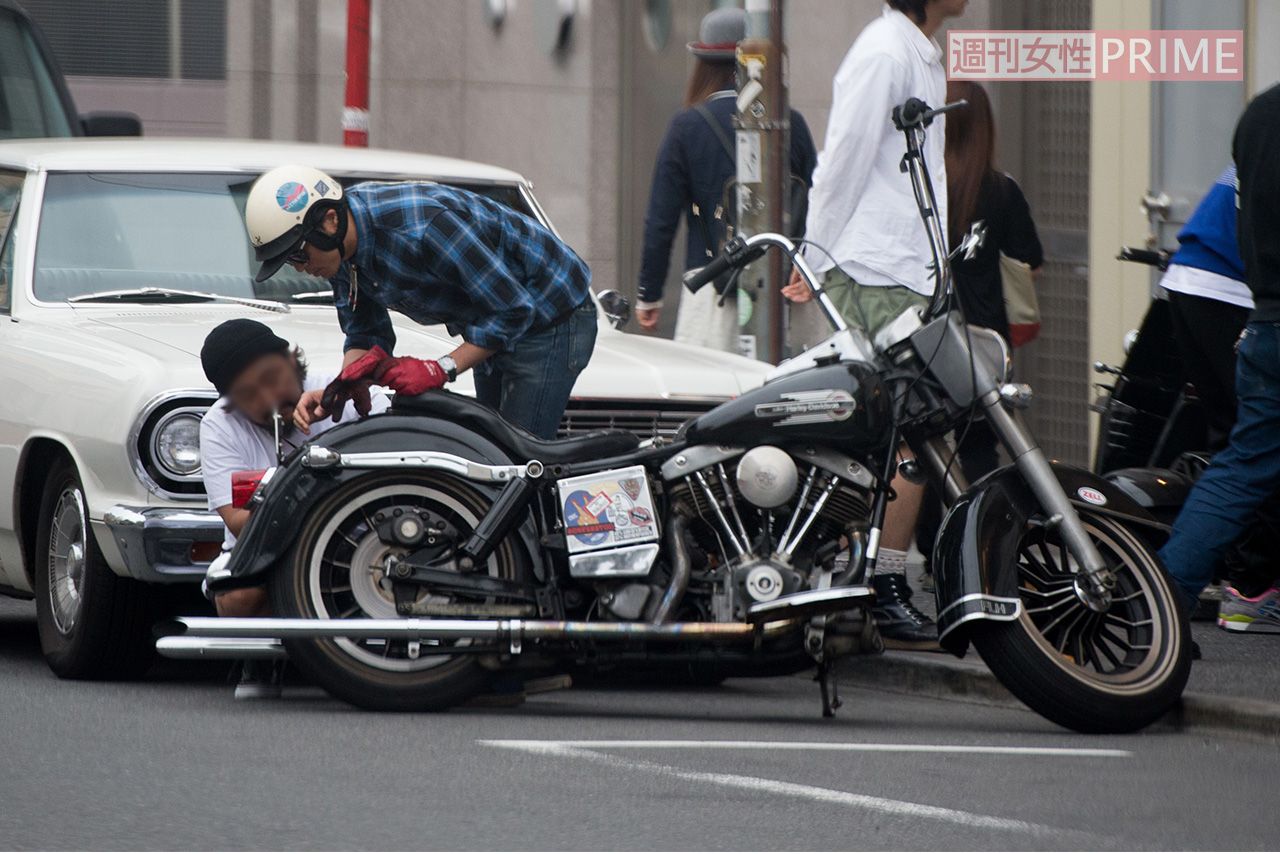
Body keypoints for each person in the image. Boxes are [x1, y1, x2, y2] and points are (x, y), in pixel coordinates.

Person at [782, 0, 966, 648]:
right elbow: (845, 156)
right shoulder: (886, 50)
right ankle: (881, 586)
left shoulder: (914, 48)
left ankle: (867, 583)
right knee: (900, 439)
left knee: (903, 437)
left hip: (902, 269)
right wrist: (815, 252)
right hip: (873, 271)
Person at [244, 164, 597, 440]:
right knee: (491, 449)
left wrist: (438, 368)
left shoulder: (423, 225)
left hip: (551, 315)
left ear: (330, 220)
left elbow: (515, 309)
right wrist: (341, 386)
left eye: (300, 256)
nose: (303, 270)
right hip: (493, 313)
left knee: (519, 459)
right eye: (291, 263)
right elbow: (366, 333)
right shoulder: (337, 253)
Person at [198, 318, 389, 698]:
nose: (269, 398)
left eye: (273, 377)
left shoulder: (345, 389)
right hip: (272, 551)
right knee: (238, 599)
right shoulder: (219, 426)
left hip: (364, 543)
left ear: (291, 358)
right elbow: (240, 524)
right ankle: (264, 656)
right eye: (249, 394)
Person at [1158, 83, 1280, 629]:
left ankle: (1161, 599)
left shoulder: (1259, 114)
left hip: (1265, 318)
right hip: (1237, 300)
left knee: (1241, 465)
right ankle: (1254, 589)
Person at [913, 79, 1043, 587]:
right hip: (983, 340)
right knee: (980, 450)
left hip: (925, 335)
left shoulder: (919, 187)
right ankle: (985, 549)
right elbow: (1029, 262)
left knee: (923, 447)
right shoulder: (1000, 189)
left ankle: (930, 549)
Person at [635, 6, 817, 352]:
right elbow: (817, 200)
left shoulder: (686, 127)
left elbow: (660, 221)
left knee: (711, 400)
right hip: (783, 296)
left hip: (710, 292)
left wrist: (649, 294)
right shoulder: (790, 122)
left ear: (703, 63)